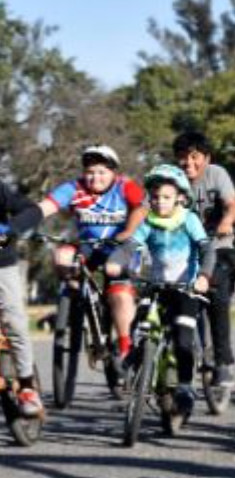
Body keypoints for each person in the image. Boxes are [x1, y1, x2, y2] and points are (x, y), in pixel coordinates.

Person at [106, 165, 215, 419]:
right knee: (139, 321)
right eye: (154, 197)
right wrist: (115, 260)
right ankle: (135, 362)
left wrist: (204, 276)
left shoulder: (188, 219)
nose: (159, 202)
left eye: (166, 197)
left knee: (183, 337)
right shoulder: (148, 222)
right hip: (156, 287)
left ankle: (186, 387)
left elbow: (206, 249)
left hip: (186, 289)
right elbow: (130, 245)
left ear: (179, 197)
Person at [39, 145, 146, 360]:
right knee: (62, 256)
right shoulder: (74, 188)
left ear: (113, 173)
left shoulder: (125, 187)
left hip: (120, 246)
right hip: (88, 246)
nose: (95, 177)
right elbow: (46, 207)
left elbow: (142, 207)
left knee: (117, 283)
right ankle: (75, 297)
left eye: (101, 172)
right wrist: (17, 224)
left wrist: (127, 232)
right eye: (90, 172)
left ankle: (126, 347)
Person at [174, 131, 235, 388]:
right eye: (182, 157)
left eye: (194, 157)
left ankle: (223, 361)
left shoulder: (217, 174)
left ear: (206, 158)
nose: (188, 163)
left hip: (218, 245)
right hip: (182, 251)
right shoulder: (172, 180)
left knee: (218, 295)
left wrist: (226, 221)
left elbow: (232, 204)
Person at [0, 181, 46, 416]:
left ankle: (27, 388)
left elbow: (33, 210)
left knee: (15, 323)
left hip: (2, 267)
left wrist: (10, 229)